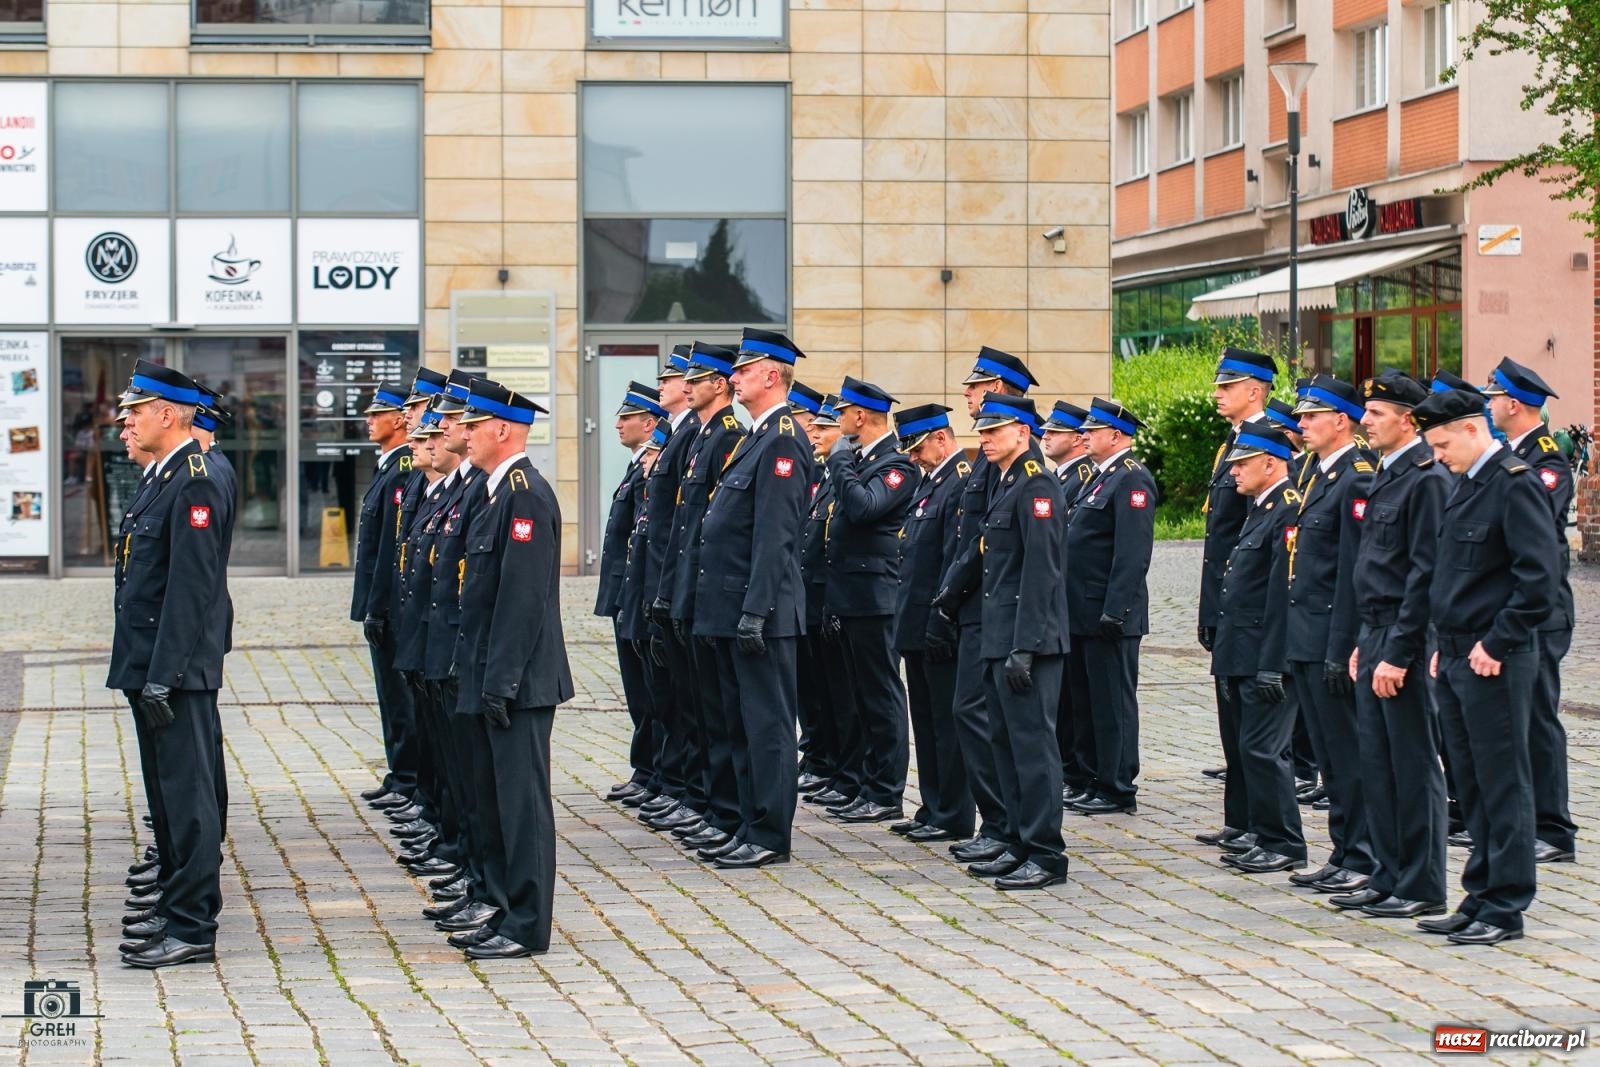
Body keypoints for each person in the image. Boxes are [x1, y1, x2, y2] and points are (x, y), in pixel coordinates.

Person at [1412, 385, 1558, 946]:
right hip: (1453, 651)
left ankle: (1506, 905)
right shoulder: (1464, 485)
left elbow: (1538, 581)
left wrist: (1497, 643)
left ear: (1474, 430)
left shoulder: (1514, 485)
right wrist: (1437, 640)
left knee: (1502, 782)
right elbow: (1451, 574)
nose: (1439, 455)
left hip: (1493, 656)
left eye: (1444, 443)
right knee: (1469, 782)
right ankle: (1479, 892)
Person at [108, 361, 232, 968]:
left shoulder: (196, 480)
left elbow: (191, 588)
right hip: (152, 661)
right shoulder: (166, 477)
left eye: (136, 409)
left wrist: (166, 671)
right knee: (168, 797)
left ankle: (191, 925)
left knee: (188, 800)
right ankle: (175, 902)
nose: (125, 419)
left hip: (175, 668)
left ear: (166, 413)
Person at [451, 377, 573, 959]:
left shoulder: (524, 494)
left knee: (522, 807)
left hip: (517, 681)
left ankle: (527, 923)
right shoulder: (493, 491)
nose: (463, 435)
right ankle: (503, 907)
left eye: (473, 426)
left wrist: (500, 680)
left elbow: (522, 601)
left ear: (502, 429)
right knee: (494, 802)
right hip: (488, 672)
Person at [693, 328, 812, 868]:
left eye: (743, 369)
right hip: (733, 605)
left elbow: (775, 535)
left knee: (766, 727)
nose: (732, 377)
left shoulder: (783, 439)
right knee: (737, 722)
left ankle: (768, 834)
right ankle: (745, 821)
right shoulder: (756, 437)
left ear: (771, 375)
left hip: (760, 610)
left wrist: (756, 611)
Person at [940, 394, 1069, 890]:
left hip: (1027, 641)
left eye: (994, 431)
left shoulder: (1037, 483)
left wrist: (1026, 645)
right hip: (999, 636)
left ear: (1022, 430)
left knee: (1034, 751)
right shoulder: (1007, 481)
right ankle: (1016, 840)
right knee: (1006, 746)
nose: (985, 439)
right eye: (982, 431)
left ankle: (1045, 853)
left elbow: (1042, 571)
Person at [1335, 372, 1450, 919]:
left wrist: (1399, 653)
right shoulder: (1388, 473)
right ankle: (1387, 871)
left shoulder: (1426, 478)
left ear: (1408, 419)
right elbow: (1372, 569)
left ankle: (1422, 882)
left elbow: (1423, 576)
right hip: (1376, 629)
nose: (1365, 420)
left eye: (1376, 413)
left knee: (1411, 761)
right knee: (1376, 761)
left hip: (1405, 633)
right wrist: (1364, 641)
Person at [939, 347, 1038, 866]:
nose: (968, 395)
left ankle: (1009, 827)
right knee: (985, 721)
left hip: (996, 610)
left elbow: (1027, 560)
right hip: (980, 608)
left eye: (977, 388)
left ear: (1002, 390)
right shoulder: (992, 460)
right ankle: (1000, 825)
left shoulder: (1026, 471)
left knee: (1000, 725)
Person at [1283, 376, 1376, 896]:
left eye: (1311, 416)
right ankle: (1343, 850)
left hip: (1331, 638)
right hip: (1306, 635)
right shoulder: (1318, 473)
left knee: (1346, 754)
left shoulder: (1355, 478)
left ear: (1341, 420)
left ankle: (1361, 853)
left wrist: (1342, 647)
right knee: (1327, 752)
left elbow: (1353, 573)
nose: (1302, 425)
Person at [1483, 357, 1578, 865]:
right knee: (1518, 719)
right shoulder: (1510, 455)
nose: (1489, 404)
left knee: (1539, 718)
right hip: (1517, 606)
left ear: (1513, 404)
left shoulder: (1545, 460)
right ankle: (1527, 822)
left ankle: (1555, 829)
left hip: (1543, 612)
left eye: (1493, 397)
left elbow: (1533, 522)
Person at [654, 343, 746, 853]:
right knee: (696, 705)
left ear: (721, 384)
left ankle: (718, 804)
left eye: (698, 377)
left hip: (706, 588)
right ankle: (705, 800)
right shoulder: (699, 434)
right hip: (687, 584)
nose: (687, 385)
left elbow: (709, 527)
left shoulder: (726, 435)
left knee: (714, 709)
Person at [821, 376, 919, 824]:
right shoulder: (862, 461)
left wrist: (840, 461)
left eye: (843, 413)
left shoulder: (896, 465)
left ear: (861, 416)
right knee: (858, 697)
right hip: (851, 594)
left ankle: (885, 791)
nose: (838, 421)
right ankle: (863, 783)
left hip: (877, 597)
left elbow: (863, 508)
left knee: (881, 696)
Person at [1208, 424, 1305, 874]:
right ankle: (1263, 833)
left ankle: (1284, 841)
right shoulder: (1260, 509)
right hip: (1242, 651)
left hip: (1264, 654)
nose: (1233, 474)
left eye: (1242, 465)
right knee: (1250, 748)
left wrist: (1272, 665)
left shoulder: (1285, 510)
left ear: (1270, 463)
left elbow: (1281, 595)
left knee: (1266, 750)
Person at [1195, 347, 1275, 847]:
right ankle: (1240, 819)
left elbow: (1258, 534)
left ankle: (1261, 823)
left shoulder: (1268, 442)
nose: (1217, 393)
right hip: (1226, 598)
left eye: (1228, 386)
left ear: (1254, 390)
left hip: (1250, 603)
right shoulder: (1232, 443)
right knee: (1231, 719)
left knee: (1253, 724)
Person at [1064, 398, 1156, 816]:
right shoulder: (1098, 478)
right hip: (1081, 611)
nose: (1083, 435)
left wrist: (1116, 610)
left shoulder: (1131, 479)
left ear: (1116, 435)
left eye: (1092, 430)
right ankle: (1090, 777)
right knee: (1085, 702)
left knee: (1113, 703)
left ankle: (1118, 786)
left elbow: (1132, 552)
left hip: (1108, 615)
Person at [889, 403, 974, 843]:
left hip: (939, 626)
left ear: (942, 438)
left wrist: (943, 618)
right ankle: (933, 805)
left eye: (919, 447)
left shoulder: (959, 484)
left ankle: (954, 812)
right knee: (925, 721)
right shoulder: (932, 485)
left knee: (946, 723)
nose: (914, 457)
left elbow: (953, 560)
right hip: (916, 625)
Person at [630, 349, 700, 818]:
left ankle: (684, 789)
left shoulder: (701, 434)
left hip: (685, 590)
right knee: (663, 695)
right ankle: (670, 782)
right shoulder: (681, 435)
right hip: (659, 586)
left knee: (690, 704)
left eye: (673, 377)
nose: (667, 383)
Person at [352, 381, 420, 816]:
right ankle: (399, 773)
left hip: (394, 604)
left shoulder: (403, 469)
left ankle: (408, 776)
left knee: (401, 698)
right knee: (390, 696)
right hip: (383, 603)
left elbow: (392, 547)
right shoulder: (387, 467)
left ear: (399, 420)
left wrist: (379, 605)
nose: (369, 420)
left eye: (378, 414)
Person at [597, 382, 666, 802]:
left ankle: (655, 771)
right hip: (627, 593)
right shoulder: (636, 467)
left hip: (640, 593)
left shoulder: (653, 466)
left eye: (627, 417)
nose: (618, 424)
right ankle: (645, 768)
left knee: (652, 691)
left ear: (650, 422)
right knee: (638, 692)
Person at [1040, 400, 1096, 803]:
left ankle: (1086, 773)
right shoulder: (1059, 478)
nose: (1046, 437)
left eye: (1055, 432)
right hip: (1066, 606)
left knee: (1086, 701)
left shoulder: (1082, 478)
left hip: (1084, 604)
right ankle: (1072, 769)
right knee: (1068, 699)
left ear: (1078, 440)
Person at [788, 382, 842, 794]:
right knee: (810, 686)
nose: (814, 433)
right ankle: (816, 753)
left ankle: (828, 760)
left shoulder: (827, 469)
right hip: (808, 592)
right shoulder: (814, 470)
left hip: (828, 594)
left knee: (829, 687)